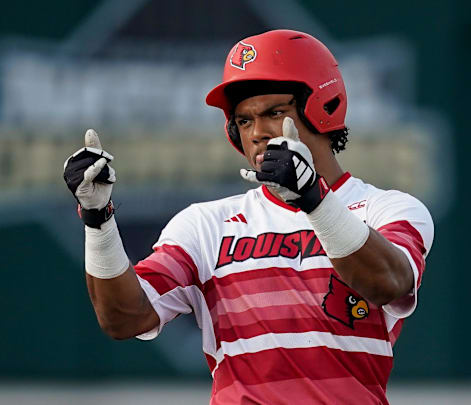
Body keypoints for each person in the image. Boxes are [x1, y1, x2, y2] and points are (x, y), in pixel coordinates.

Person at [63, 29, 434, 405]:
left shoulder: (388, 209)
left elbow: (389, 283)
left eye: (274, 113)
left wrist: (315, 201)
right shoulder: (205, 224)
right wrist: (98, 220)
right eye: (243, 121)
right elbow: (124, 318)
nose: (257, 133)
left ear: (323, 108)